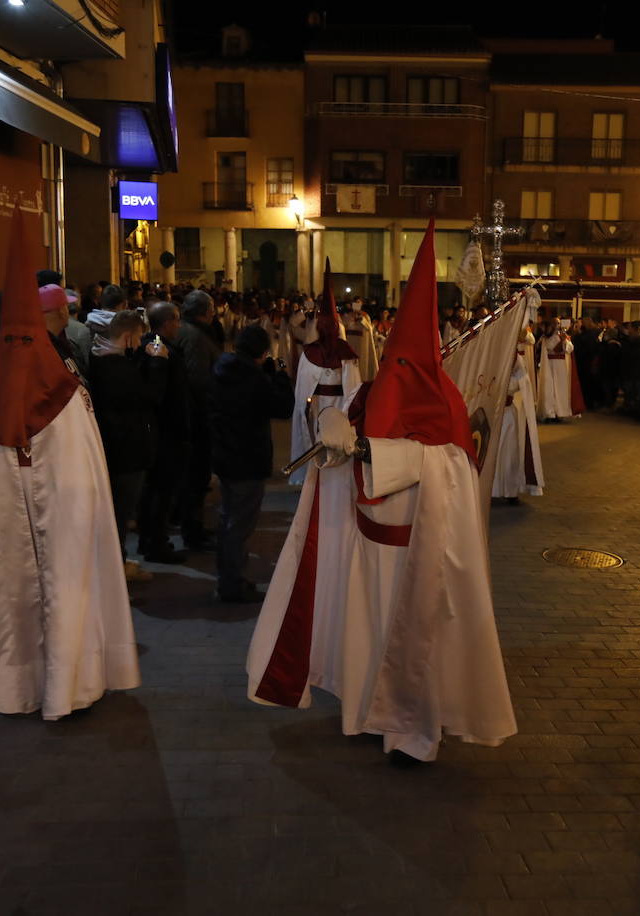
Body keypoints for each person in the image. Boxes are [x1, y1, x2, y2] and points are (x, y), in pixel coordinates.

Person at [246, 221, 516, 763]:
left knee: (416, 646)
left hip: (420, 550)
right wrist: (335, 433)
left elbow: (451, 466)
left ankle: (413, 736)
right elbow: (346, 443)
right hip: (368, 545)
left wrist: (373, 452)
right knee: (367, 636)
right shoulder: (370, 390)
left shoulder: (446, 405)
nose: (397, 373)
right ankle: (367, 714)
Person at [0, 216, 140, 720]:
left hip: (16, 523)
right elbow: (87, 474)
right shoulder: (65, 391)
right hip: (62, 520)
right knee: (64, 590)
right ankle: (62, 685)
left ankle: (23, 687)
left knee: (18, 595)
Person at [209, 325, 295, 602]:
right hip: (247, 457)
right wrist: (282, 378)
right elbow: (282, 408)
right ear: (262, 352)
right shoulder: (252, 379)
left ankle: (230, 578)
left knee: (229, 519)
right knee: (240, 524)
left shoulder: (225, 369)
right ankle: (231, 584)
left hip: (225, 454)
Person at [87, 310, 169, 583]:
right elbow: (150, 396)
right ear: (128, 337)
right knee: (121, 512)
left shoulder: (100, 358)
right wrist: (158, 362)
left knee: (119, 512)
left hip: (116, 446)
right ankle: (116, 569)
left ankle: (117, 562)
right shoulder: (116, 368)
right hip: (127, 450)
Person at [289, 267, 360, 486]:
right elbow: (353, 389)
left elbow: (352, 388)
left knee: (328, 439)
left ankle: (323, 475)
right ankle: (316, 476)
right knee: (323, 439)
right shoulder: (322, 355)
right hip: (329, 406)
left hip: (327, 406)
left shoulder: (319, 355)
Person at [137, 302, 190, 564]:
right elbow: (160, 393)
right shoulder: (158, 350)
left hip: (164, 430)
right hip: (166, 431)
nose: (179, 326)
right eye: (177, 321)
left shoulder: (152, 345)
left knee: (157, 489)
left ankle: (153, 539)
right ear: (167, 322)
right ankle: (156, 542)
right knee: (161, 490)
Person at [174, 289, 223, 550]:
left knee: (193, 476)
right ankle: (192, 531)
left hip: (192, 414)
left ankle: (193, 526)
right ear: (205, 312)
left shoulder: (186, 330)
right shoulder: (195, 337)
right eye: (212, 308)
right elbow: (198, 379)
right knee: (196, 476)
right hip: (197, 417)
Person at [492, 327, 545, 504]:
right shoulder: (487, 355)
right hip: (490, 415)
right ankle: (490, 490)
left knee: (509, 452)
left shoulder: (516, 357)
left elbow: (522, 378)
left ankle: (510, 490)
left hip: (507, 414)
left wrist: (506, 386)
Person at [535, 317, 576, 421]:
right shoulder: (545, 338)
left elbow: (569, 348)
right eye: (556, 324)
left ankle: (560, 412)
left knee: (560, 388)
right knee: (550, 388)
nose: (558, 326)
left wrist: (566, 339)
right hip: (550, 365)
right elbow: (554, 349)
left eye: (559, 323)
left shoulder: (561, 336)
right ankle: (550, 412)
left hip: (560, 366)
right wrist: (562, 340)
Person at [342, 299, 380, 381]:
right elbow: (343, 327)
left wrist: (361, 319)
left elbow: (369, 329)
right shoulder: (346, 316)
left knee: (362, 369)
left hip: (362, 346)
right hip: (349, 345)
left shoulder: (365, 316)